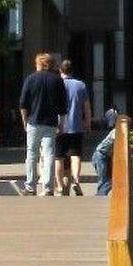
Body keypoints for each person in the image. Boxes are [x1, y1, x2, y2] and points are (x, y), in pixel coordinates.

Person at [16, 52, 67, 198]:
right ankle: (48, 187)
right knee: (49, 154)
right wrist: (61, 123)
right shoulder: (57, 80)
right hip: (51, 122)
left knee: (31, 154)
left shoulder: (30, 79)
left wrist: (24, 121)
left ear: (40, 63)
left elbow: (23, 103)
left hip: (33, 121)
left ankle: (30, 186)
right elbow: (63, 105)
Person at [54, 58, 92, 196]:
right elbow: (86, 107)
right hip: (76, 126)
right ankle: (76, 180)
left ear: (61, 70)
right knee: (75, 155)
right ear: (72, 71)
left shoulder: (57, 84)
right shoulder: (80, 85)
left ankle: (59, 185)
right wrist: (87, 123)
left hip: (59, 126)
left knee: (59, 157)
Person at [90, 108, 119, 196]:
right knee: (103, 178)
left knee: (108, 179)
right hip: (100, 156)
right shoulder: (116, 132)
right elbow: (118, 143)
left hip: (104, 156)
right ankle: (100, 196)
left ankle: (101, 194)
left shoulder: (117, 131)